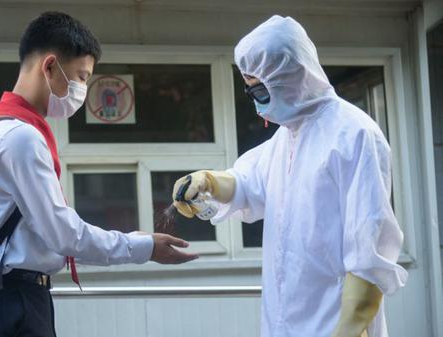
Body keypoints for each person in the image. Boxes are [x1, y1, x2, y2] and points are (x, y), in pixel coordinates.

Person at [0, 11, 198, 337]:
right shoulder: (20, 138)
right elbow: (65, 235)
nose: (82, 89)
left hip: (2, 300)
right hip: (10, 303)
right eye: (81, 77)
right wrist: (144, 247)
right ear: (50, 66)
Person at [172, 16, 407, 337]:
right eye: (250, 91)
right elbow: (247, 183)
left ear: (289, 78)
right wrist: (208, 182)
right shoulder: (286, 138)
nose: (257, 104)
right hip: (284, 319)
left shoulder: (353, 134)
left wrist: (352, 325)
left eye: (261, 92)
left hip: (334, 320)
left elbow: (369, 249)